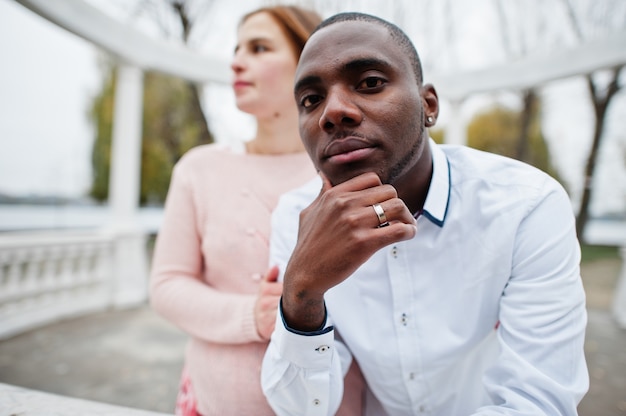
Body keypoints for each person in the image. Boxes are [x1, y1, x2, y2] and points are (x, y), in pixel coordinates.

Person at [261, 12, 589, 415]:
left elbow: (539, 403)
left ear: (428, 105)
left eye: (369, 83)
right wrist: (301, 295)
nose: (334, 112)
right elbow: (302, 408)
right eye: (311, 100)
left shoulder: (525, 206)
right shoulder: (296, 219)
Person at [150, 6, 364, 416]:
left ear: (309, 63)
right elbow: (167, 285)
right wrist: (254, 314)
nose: (236, 61)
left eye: (259, 47)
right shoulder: (198, 169)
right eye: (236, 48)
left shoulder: (349, 169)